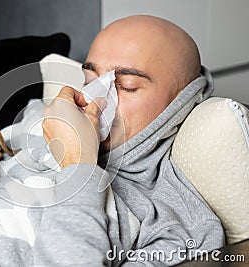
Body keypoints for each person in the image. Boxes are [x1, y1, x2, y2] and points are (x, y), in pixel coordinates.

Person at [38, 14, 225, 265]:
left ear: (181, 103)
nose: (95, 98)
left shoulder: (178, 234)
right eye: (90, 80)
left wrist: (78, 167)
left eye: (126, 86)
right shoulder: (43, 127)